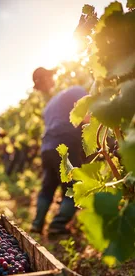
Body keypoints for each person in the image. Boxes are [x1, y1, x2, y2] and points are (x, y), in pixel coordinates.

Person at [31, 67, 87, 235]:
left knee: (48, 186)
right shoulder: (78, 91)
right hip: (64, 145)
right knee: (74, 187)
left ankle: (37, 224)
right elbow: (86, 116)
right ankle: (58, 225)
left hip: (46, 147)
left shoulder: (50, 104)